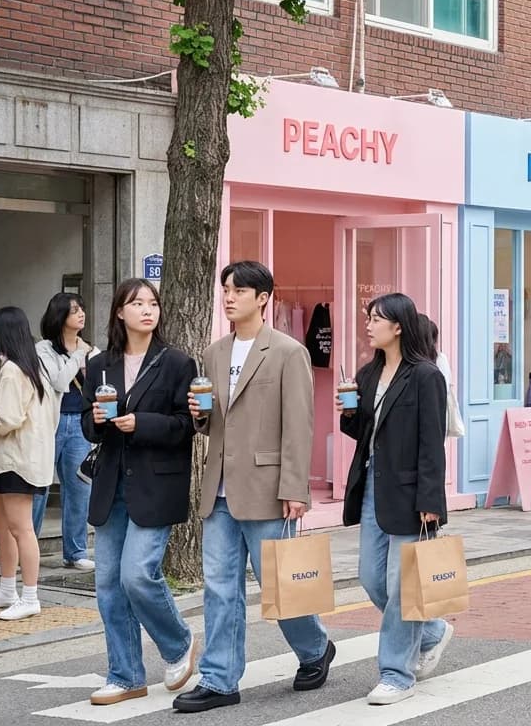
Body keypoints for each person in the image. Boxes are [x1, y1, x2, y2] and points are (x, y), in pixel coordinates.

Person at [175, 262, 333, 713]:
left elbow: (298, 425)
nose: (229, 297)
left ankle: (315, 648)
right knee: (219, 588)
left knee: (279, 586)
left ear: (263, 298)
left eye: (239, 290)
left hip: (267, 487)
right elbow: (215, 426)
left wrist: (296, 488)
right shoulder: (215, 352)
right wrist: (200, 416)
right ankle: (220, 679)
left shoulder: (287, 351)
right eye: (225, 289)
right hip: (219, 491)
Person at [79, 279, 197, 706]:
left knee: (137, 575)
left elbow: (188, 425)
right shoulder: (100, 364)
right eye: (137, 303)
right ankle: (125, 674)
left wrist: (141, 423)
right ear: (119, 313)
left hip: (156, 484)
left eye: (153, 303)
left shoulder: (177, 363)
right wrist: (96, 419)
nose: (147, 310)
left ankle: (179, 642)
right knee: (109, 585)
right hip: (112, 485)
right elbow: (89, 427)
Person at [336, 292, 449, 705]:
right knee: (371, 578)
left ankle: (396, 673)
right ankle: (432, 630)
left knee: (402, 587)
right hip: (371, 489)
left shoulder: (424, 376)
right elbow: (365, 436)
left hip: (411, 493)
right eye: (368, 317)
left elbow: (431, 442)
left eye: (376, 318)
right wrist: (349, 416)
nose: (369, 325)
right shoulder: (368, 375)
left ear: (398, 326)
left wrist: (431, 499)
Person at [0, 307, 56, 622]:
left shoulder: (14, 370)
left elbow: (8, 420)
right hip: (18, 459)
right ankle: (7, 589)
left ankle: (29, 596)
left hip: (16, 460)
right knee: (2, 524)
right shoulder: (33, 366)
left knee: (20, 528)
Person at [34, 292, 97, 570]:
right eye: (74, 310)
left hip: (79, 423)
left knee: (79, 487)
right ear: (60, 316)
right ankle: (27, 549)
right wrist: (78, 355)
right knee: (39, 487)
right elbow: (59, 382)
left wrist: (86, 354)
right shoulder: (44, 350)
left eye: (82, 308)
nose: (81, 314)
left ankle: (76, 551)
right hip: (52, 421)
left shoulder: (91, 350)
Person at [420, 315, 465, 441]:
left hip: (434, 422)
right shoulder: (439, 359)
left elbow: (442, 390)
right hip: (437, 420)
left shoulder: (438, 360)